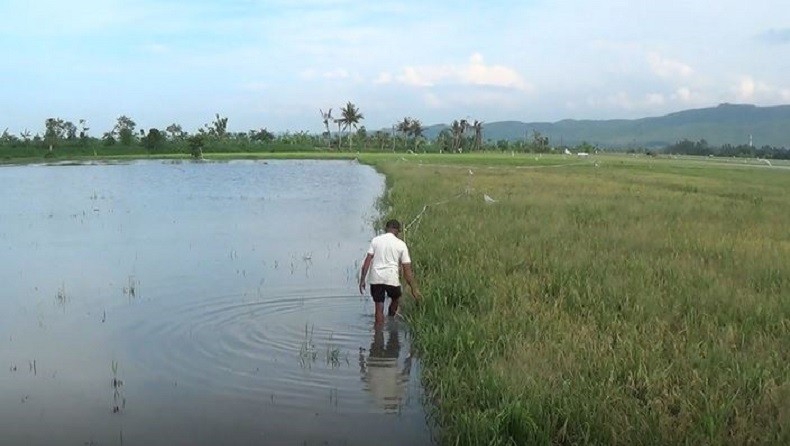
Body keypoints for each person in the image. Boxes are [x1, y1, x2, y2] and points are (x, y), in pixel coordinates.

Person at [359, 219, 421, 325]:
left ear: (386, 228)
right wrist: (414, 289)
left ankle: (378, 334)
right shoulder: (401, 245)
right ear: (398, 231)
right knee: (396, 298)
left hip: (376, 278)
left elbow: (367, 261)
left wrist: (362, 280)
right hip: (391, 278)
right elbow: (407, 270)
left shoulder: (376, 240)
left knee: (379, 307)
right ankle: (391, 320)